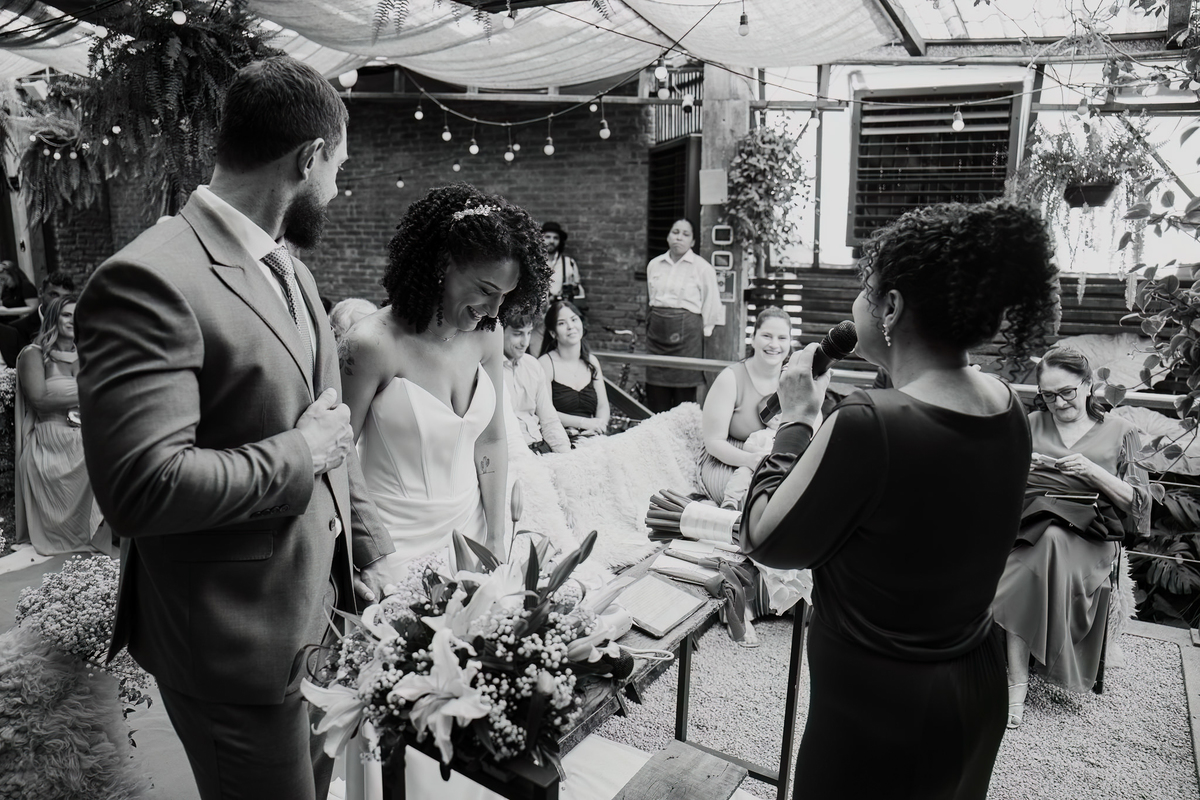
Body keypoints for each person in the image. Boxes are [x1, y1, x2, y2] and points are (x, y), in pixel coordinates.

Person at [76, 56, 395, 800]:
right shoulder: (148, 277)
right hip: (234, 644)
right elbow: (142, 488)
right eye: (338, 168)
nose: (337, 189)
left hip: (322, 623)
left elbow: (332, 429)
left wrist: (372, 550)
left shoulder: (294, 273)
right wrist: (299, 452)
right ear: (308, 158)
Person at [739, 199, 1059, 800]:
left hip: (879, 709)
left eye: (866, 289)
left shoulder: (870, 423)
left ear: (891, 307)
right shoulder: (1006, 403)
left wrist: (798, 418)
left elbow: (766, 538)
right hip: (973, 681)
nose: (857, 303)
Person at [341, 184, 550, 575]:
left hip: (474, 533)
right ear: (442, 265)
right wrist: (368, 551)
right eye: (486, 290)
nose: (494, 310)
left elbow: (491, 438)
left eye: (505, 296)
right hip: (392, 546)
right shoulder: (370, 344)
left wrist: (495, 538)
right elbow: (339, 457)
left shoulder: (489, 334)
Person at [993, 347, 1148, 729]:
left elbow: (1139, 506)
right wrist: (1016, 465)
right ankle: (1014, 674)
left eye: (1067, 392)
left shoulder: (1123, 431)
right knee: (1039, 545)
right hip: (1027, 519)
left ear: (1088, 384)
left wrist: (1094, 472)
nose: (1059, 403)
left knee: (1046, 546)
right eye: (1048, 395)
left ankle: (1016, 682)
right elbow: (992, 480)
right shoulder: (1029, 423)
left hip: (1090, 530)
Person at [14, 296, 103, 554]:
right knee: (100, 455)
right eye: (66, 314)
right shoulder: (34, 354)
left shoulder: (87, 355)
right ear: (53, 318)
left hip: (85, 432)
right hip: (51, 439)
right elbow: (39, 400)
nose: (73, 320)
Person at [699, 306, 792, 505]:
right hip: (729, 460)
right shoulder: (730, 379)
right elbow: (713, 441)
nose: (774, 344)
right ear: (753, 338)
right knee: (750, 501)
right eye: (767, 336)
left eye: (782, 338)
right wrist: (749, 460)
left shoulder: (794, 380)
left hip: (777, 462)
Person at [643, 218, 722, 413]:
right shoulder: (654, 265)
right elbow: (651, 298)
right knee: (656, 396)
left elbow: (712, 303)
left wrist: (704, 332)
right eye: (675, 232)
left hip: (687, 340)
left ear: (693, 241)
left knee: (683, 402)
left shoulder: (702, 268)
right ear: (668, 236)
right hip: (657, 337)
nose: (679, 237)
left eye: (685, 234)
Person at [539, 298, 609, 443]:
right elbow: (545, 412)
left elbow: (602, 406)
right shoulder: (545, 364)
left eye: (574, 319)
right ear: (553, 333)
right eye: (562, 323)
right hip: (559, 438)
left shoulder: (592, 362)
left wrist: (599, 425)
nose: (571, 326)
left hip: (592, 437)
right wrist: (584, 423)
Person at [502, 312, 571, 454]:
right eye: (518, 334)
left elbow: (549, 420)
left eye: (529, 333)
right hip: (512, 454)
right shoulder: (488, 370)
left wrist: (565, 456)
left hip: (542, 447)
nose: (525, 342)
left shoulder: (532, 364)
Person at [530, 221, 584, 355]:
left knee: (559, 353)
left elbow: (578, 291)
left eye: (555, 238)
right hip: (537, 318)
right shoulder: (533, 261)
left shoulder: (569, 263)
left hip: (560, 317)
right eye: (547, 237)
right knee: (536, 353)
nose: (551, 241)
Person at [11, 270, 76, 348]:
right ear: (41, 293)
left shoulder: (79, 327)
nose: (59, 301)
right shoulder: (17, 329)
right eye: (54, 295)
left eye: (65, 297)